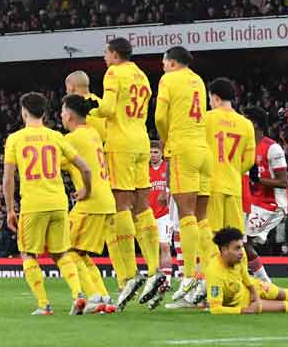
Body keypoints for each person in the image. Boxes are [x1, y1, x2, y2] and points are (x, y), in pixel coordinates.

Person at [2, 92, 92, 315]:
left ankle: (44, 305)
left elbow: (8, 179)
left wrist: (10, 210)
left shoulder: (15, 139)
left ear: (24, 112)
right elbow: (86, 168)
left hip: (33, 205)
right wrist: (86, 190)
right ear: (44, 113)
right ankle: (78, 294)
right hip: (59, 203)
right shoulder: (56, 136)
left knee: (28, 254)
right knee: (61, 254)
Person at [89, 39, 160, 309]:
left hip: (120, 144)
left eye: (106, 52)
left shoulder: (114, 73)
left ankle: (130, 275)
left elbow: (107, 109)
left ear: (115, 54)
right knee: (142, 206)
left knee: (121, 206)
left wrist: (86, 106)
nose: (104, 57)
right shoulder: (142, 75)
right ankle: (155, 269)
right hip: (142, 141)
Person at [155, 46, 211, 308]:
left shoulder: (169, 79)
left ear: (172, 62)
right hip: (203, 150)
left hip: (183, 149)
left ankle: (189, 283)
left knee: (186, 216)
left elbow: (158, 117)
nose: (162, 66)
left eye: (164, 62)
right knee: (202, 219)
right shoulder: (198, 79)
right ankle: (209, 281)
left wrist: (167, 142)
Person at [60, 94, 118, 313]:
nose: (61, 115)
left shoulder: (72, 139)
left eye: (63, 111)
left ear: (71, 115)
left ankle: (93, 297)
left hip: (91, 202)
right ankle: (103, 296)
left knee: (68, 250)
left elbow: (52, 160)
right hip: (104, 200)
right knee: (80, 253)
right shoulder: (92, 133)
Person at [204, 78, 255, 238]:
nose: (210, 103)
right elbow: (250, 160)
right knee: (235, 237)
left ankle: (212, 264)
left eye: (210, 99)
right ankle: (239, 264)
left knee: (212, 235)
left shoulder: (207, 118)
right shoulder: (246, 124)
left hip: (211, 186)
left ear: (216, 98)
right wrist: (233, 170)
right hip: (234, 186)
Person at [245, 106, 288, 283]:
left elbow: (283, 182)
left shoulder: (273, 148)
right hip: (253, 202)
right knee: (236, 239)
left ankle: (265, 283)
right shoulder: (246, 147)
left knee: (241, 241)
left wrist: (258, 180)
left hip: (273, 206)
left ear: (254, 124)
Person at [147, 140, 176, 307]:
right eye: (151, 152)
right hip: (149, 215)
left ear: (161, 153)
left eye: (156, 152)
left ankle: (167, 281)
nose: (153, 155)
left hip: (165, 215)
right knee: (154, 249)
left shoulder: (168, 169)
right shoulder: (146, 170)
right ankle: (157, 279)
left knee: (165, 246)